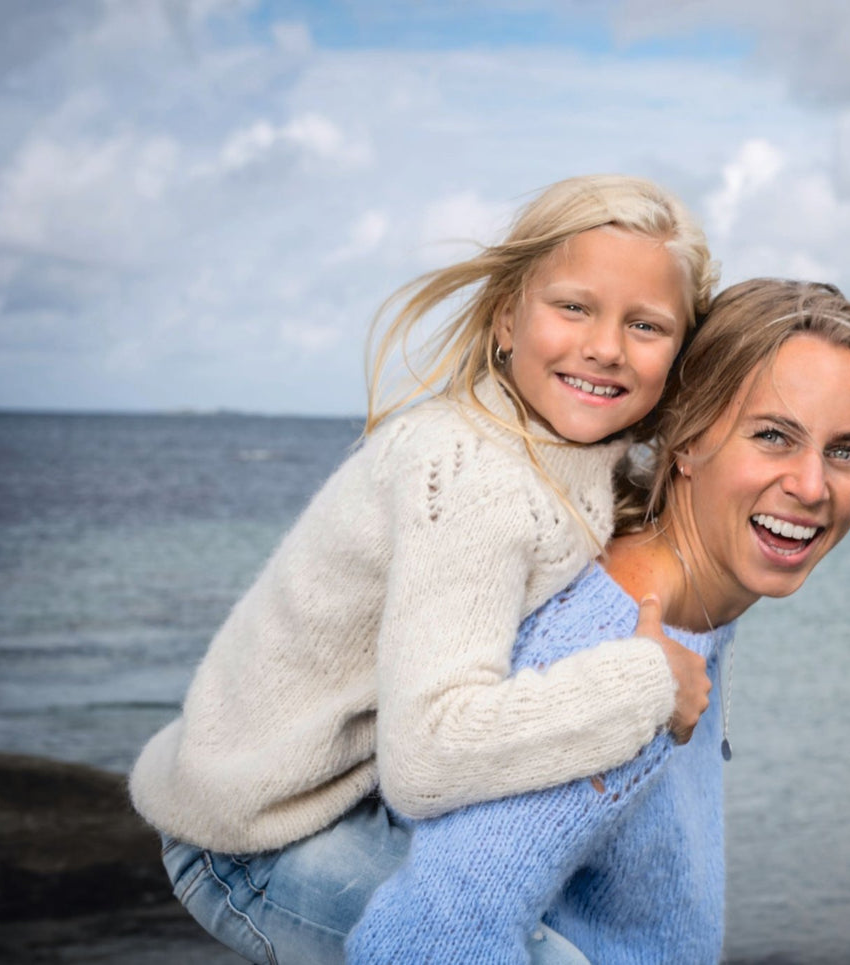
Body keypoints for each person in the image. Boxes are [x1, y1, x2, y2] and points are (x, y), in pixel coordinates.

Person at [127, 174, 721, 965]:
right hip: (254, 839)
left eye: (645, 324)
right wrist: (648, 683)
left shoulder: (572, 454)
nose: (605, 346)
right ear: (507, 317)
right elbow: (431, 753)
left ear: (679, 353)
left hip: (347, 803)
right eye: (573, 306)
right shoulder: (471, 471)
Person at [347, 278, 850, 964]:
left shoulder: (691, 606)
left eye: (846, 451)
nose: (812, 486)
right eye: (772, 436)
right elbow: (424, 943)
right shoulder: (609, 656)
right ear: (688, 439)